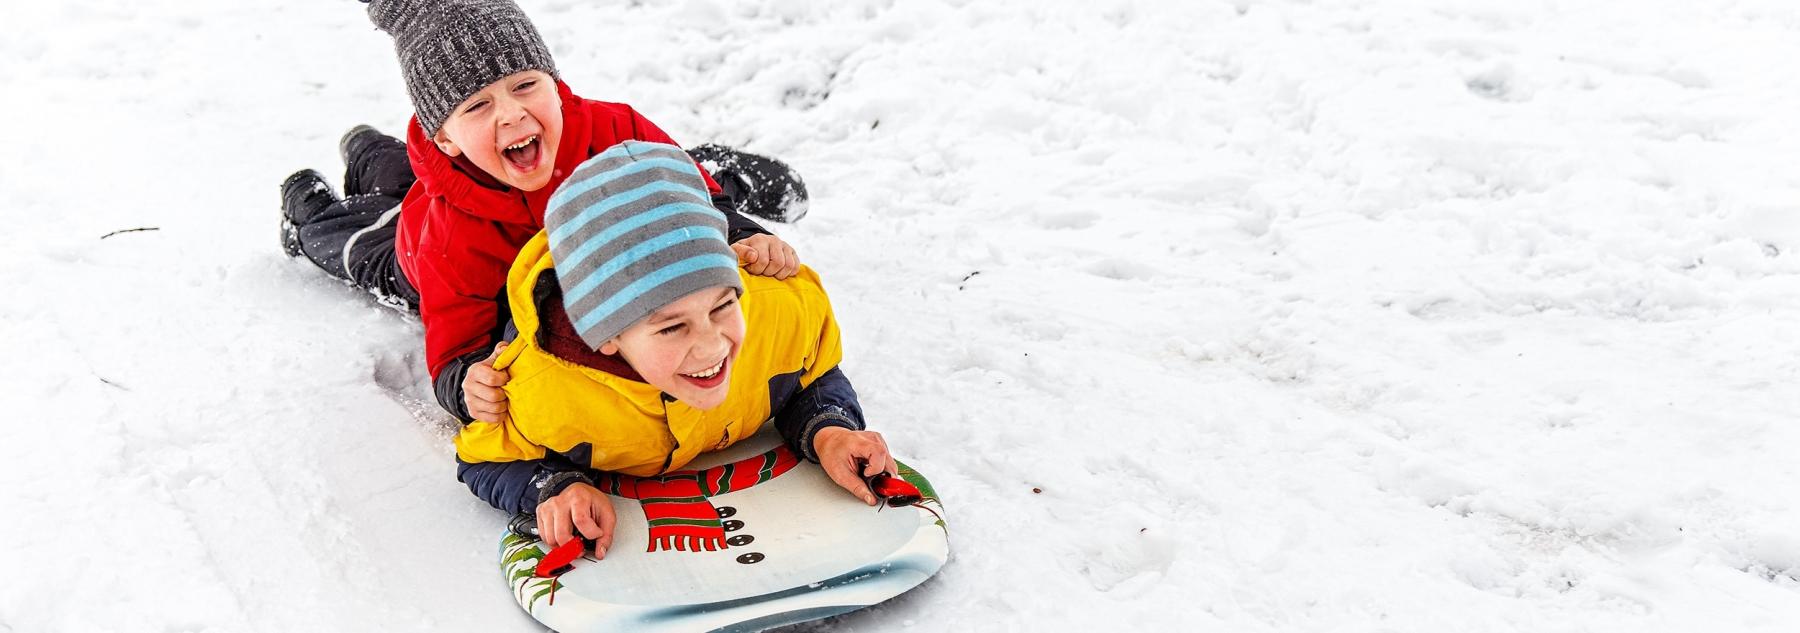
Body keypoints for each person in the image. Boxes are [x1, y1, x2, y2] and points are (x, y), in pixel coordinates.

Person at [278, 0, 807, 426]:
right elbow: (456, 348)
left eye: (525, 85)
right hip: (413, 250)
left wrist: (742, 234)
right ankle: (316, 211)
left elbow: (694, 201)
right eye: (476, 106)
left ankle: (370, 149)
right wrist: (465, 386)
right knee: (372, 238)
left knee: (676, 169)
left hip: (539, 207)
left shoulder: (615, 131)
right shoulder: (449, 238)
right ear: (444, 136)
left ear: (555, 84)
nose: (511, 111)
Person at [455, 141, 893, 553]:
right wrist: (554, 487)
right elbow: (482, 459)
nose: (710, 347)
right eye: (671, 329)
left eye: (722, 306)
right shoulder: (541, 392)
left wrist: (829, 428)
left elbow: (809, 372)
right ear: (607, 337)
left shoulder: (780, 309)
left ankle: (716, 169)